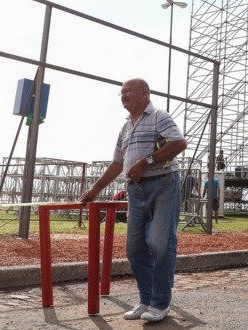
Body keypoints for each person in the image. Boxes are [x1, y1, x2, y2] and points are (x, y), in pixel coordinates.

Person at [79, 77, 187, 322]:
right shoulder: (126, 127)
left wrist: (146, 161)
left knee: (160, 243)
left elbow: (179, 143)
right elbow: (118, 163)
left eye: (128, 91)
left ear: (144, 93)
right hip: (136, 190)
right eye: (121, 93)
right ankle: (145, 300)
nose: (124, 95)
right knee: (135, 249)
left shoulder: (159, 116)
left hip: (163, 185)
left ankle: (160, 303)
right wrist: (95, 189)